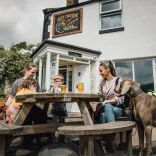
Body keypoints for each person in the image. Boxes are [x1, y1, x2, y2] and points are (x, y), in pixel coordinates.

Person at [5, 62, 47, 145]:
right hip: (20, 108)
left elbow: (38, 95)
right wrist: (5, 108)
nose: (34, 74)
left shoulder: (35, 82)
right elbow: (11, 97)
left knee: (43, 115)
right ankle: (27, 142)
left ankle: (37, 139)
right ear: (26, 70)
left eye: (35, 72)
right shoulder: (17, 82)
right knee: (26, 120)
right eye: (33, 72)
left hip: (31, 107)